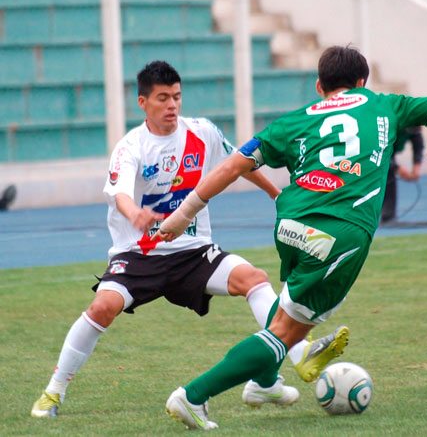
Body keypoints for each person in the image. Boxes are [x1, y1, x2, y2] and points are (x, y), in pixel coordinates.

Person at [155, 45, 427, 430]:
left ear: (320, 86)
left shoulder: (294, 121)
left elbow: (233, 166)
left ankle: (264, 384)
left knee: (286, 315)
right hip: (338, 235)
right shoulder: (384, 104)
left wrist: (182, 215)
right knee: (286, 332)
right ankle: (192, 396)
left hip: (289, 225)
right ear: (362, 82)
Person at [30, 61, 349, 419]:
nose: (172, 105)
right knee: (102, 308)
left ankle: (288, 363)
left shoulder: (202, 132)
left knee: (254, 279)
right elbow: (120, 194)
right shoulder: (130, 147)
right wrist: (135, 214)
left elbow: (240, 162)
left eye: (177, 97)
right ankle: (53, 393)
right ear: (142, 102)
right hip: (140, 254)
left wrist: (276, 195)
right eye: (162, 98)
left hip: (193, 253)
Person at [381, 126, 424, 223]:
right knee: (387, 172)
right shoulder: (390, 125)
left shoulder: (414, 127)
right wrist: (396, 168)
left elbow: (418, 143)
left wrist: (416, 167)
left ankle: (388, 215)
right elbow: (381, 151)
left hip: (389, 150)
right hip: (372, 151)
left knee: (389, 172)